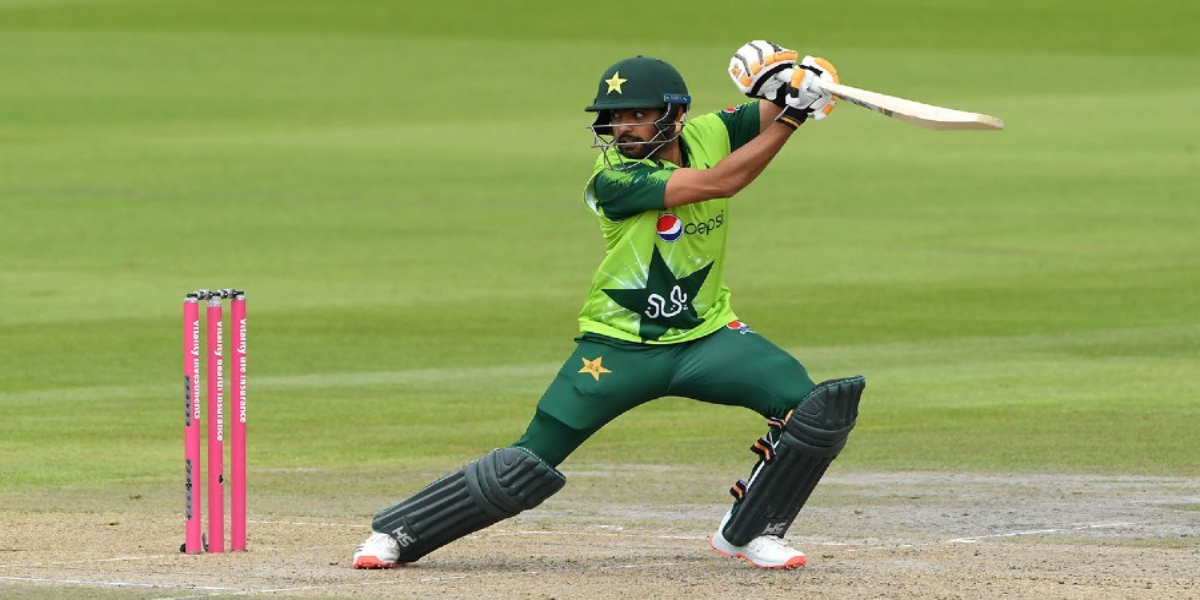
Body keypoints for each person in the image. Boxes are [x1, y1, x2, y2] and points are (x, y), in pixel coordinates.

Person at [353, 41, 865, 570]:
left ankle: (750, 531)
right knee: (529, 460)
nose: (623, 128)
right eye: (615, 117)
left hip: (708, 338)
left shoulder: (710, 132)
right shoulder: (615, 178)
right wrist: (793, 117)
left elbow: (778, 103)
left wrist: (798, 79)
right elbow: (722, 182)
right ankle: (398, 533)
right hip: (617, 349)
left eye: (638, 115)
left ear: (676, 115)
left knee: (814, 411)